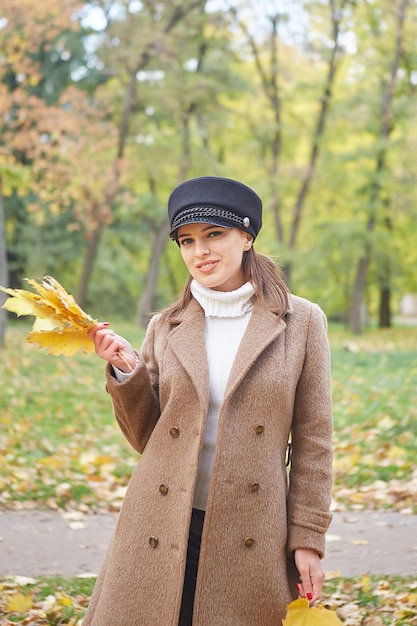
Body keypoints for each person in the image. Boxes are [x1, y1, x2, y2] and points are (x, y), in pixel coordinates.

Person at [83, 176, 333, 626]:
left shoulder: (302, 323)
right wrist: (128, 372)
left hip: (252, 530)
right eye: (187, 240)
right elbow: (148, 438)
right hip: (161, 521)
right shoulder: (167, 325)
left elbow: (315, 440)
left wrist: (308, 538)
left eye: (214, 234)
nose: (200, 251)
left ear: (247, 236)